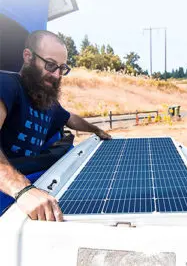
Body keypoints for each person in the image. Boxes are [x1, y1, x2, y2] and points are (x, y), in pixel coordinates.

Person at [0, 30, 111, 222]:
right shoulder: (7, 85)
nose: (57, 75)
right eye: (50, 65)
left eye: (62, 68)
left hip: (34, 180)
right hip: (9, 187)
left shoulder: (44, 98)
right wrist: (23, 190)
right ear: (28, 57)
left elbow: (70, 118)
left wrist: (96, 130)